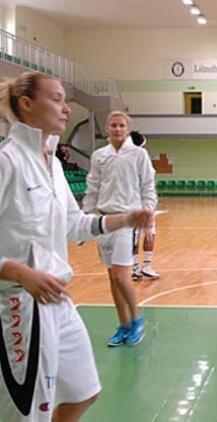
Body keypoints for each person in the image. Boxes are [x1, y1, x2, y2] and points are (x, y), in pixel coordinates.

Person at [0, 71, 152, 421]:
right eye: (55, 99)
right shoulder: (8, 161)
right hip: (19, 305)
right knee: (27, 415)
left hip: (58, 300)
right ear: (26, 104)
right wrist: (19, 272)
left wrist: (125, 219)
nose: (66, 108)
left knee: (84, 391)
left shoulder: (52, 164)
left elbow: (75, 225)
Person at [83, 111, 158, 347]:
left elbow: (148, 184)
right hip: (105, 221)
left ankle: (137, 319)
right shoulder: (99, 156)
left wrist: (148, 211)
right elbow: (93, 187)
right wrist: (86, 219)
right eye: (113, 125)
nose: (117, 129)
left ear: (128, 129)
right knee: (112, 279)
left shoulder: (138, 154)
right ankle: (123, 324)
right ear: (107, 128)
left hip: (128, 220)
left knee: (120, 274)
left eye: (121, 125)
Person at [129, 130, 161, 280]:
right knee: (147, 234)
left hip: (136, 204)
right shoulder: (138, 160)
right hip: (139, 205)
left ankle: (137, 268)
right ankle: (144, 267)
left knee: (135, 236)